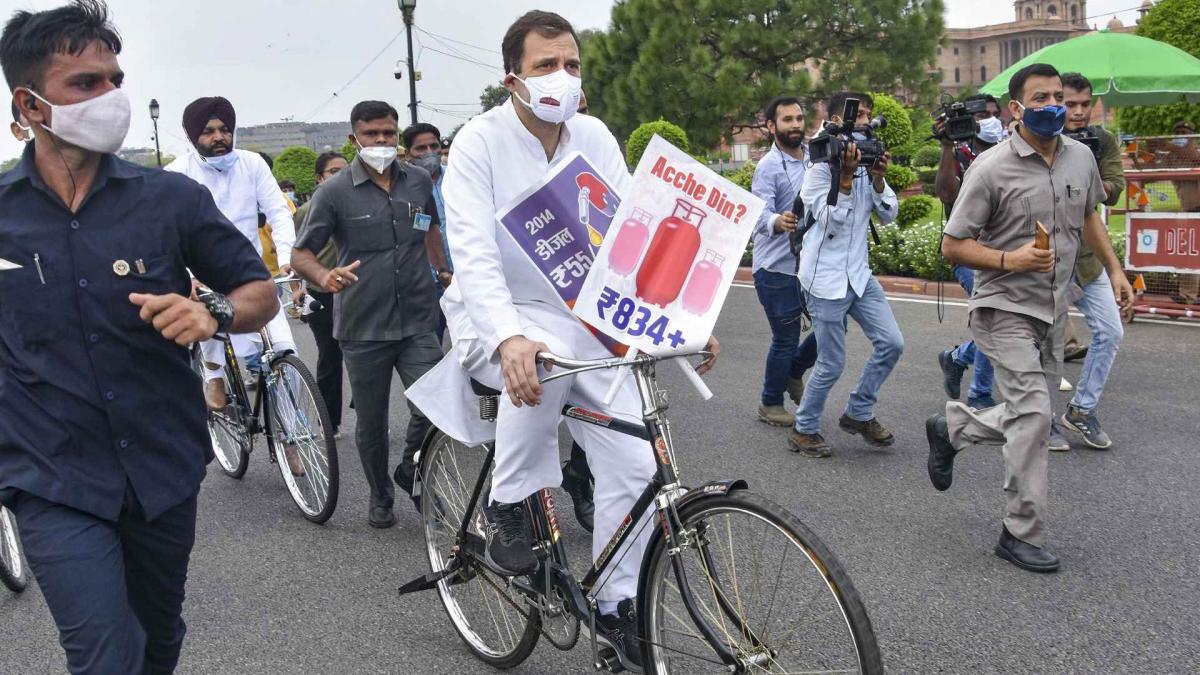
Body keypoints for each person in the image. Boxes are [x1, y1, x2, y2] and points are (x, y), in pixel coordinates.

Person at [435, 11, 718, 669]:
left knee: (636, 462)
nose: (561, 77)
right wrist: (506, 336)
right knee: (541, 363)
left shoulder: (592, 133)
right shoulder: (478, 142)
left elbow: (631, 237)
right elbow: (472, 250)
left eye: (571, 64)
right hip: (493, 315)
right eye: (545, 66)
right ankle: (509, 504)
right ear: (513, 79)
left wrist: (683, 321)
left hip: (582, 313)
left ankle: (619, 611)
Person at [0, 2, 279, 671]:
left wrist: (212, 313)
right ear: (30, 105)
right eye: (85, 84)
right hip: (51, 476)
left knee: (158, 636)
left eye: (114, 79)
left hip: (161, 467)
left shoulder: (169, 200)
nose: (109, 97)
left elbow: (258, 291)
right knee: (104, 652)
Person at [926, 64, 1134, 573]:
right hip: (1003, 309)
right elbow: (953, 244)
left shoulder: (1082, 157)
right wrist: (1010, 259)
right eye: (1040, 97)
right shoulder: (992, 168)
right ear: (1016, 109)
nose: (1054, 106)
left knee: (1029, 416)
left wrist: (1115, 270)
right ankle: (1019, 532)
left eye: (1058, 96)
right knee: (1038, 415)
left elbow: (1087, 216)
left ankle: (953, 428)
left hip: (1053, 310)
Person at [291, 100, 449, 529]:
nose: (382, 142)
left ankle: (411, 469)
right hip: (363, 325)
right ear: (354, 138)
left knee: (437, 406)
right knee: (373, 422)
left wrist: (444, 269)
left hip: (418, 316)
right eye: (372, 134)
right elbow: (300, 255)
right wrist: (326, 276)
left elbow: (429, 227)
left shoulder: (418, 180)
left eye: (389, 134)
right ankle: (381, 495)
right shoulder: (334, 192)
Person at [163, 99, 299, 431]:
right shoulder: (176, 174)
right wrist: (187, 278)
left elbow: (279, 213)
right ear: (193, 135)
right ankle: (214, 374)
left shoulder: (252, 164)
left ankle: (295, 435)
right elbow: (165, 234)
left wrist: (286, 260)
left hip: (253, 276)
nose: (219, 137)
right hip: (202, 274)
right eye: (208, 131)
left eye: (224, 129)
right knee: (206, 310)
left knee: (285, 354)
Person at [792, 91, 903, 458]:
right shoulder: (818, 170)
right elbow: (831, 223)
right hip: (824, 280)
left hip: (859, 276)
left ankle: (859, 412)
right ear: (838, 121)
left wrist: (876, 180)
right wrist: (844, 180)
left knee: (892, 343)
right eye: (860, 115)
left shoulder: (867, 162)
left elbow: (888, 214)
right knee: (831, 363)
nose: (866, 122)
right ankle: (804, 429)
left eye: (870, 115)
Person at [1055, 72, 1127, 450]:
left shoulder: (1101, 141)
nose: (1079, 112)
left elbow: (1113, 190)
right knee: (1041, 341)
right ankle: (1043, 420)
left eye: (1085, 104)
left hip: (1087, 258)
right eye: (1070, 104)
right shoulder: (1043, 141)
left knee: (1111, 332)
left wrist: (1092, 177)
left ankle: (1081, 410)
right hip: (1045, 259)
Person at [751, 95, 819, 426]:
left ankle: (794, 370)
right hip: (776, 269)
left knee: (835, 324)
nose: (795, 125)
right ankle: (770, 402)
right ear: (771, 126)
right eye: (787, 120)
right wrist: (777, 221)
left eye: (798, 118)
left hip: (812, 265)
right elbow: (755, 214)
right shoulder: (768, 167)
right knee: (786, 338)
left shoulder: (814, 159)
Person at [934, 94, 1004, 411]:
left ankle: (957, 357)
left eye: (994, 114)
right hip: (966, 251)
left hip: (1003, 251)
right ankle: (980, 395)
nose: (990, 120)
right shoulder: (960, 154)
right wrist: (946, 146)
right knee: (993, 319)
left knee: (1003, 322)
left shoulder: (1011, 152)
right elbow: (947, 192)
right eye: (982, 115)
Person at [294, 151, 349, 437]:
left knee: (366, 357)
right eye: (333, 171)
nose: (340, 176)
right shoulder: (306, 211)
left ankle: (368, 415)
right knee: (330, 358)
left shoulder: (359, 202)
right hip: (323, 293)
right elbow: (298, 254)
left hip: (357, 291)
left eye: (345, 170)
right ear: (319, 178)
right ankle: (330, 421)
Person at [1165, 120, 1200, 305]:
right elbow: (1152, 167)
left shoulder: (1195, 152)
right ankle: (1187, 295)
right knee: (1187, 252)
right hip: (1189, 211)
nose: (1181, 135)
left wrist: (1169, 146)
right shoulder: (1174, 158)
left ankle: (1190, 294)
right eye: (1177, 132)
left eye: (1184, 132)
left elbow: (1195, 157)